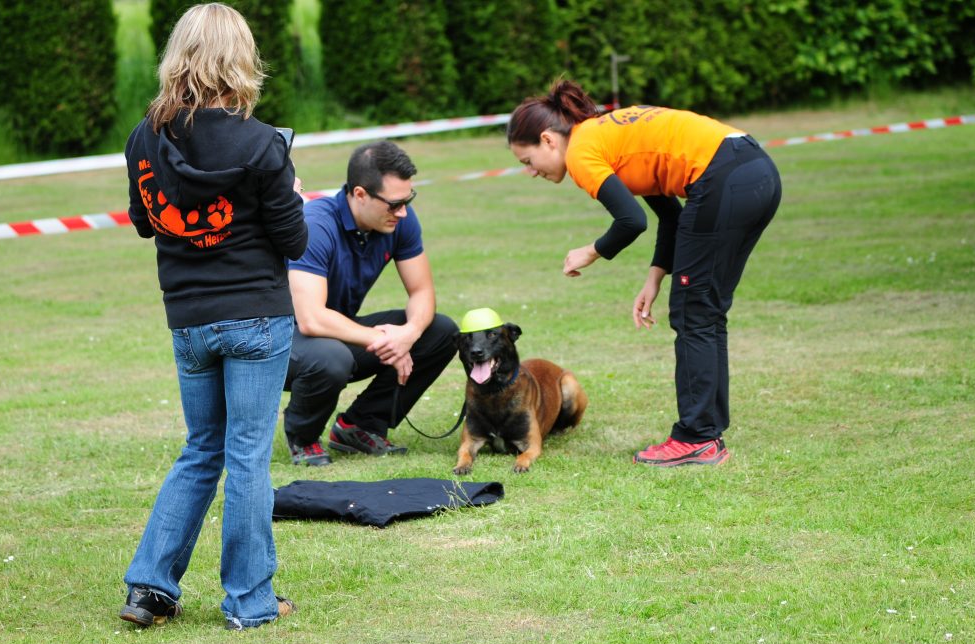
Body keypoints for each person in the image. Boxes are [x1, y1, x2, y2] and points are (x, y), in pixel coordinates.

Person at [119, 3, 307, 630]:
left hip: (189, 321)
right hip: (255, 315)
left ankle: (149, 588)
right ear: (241, 59)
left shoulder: (144, 138)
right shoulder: (261, 143)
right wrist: (294, 193)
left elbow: (148, 223)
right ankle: (250, 602)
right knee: (249, 454)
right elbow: (295, 241)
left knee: (203, 449)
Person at [507, 79, 781, 467]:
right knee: (703, 311)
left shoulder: (582, 153)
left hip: (723, 179)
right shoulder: (606, 135)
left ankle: (697, 438)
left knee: (693, 313)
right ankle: (707, 431)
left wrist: (591, 251)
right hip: (755, 170)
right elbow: (670, 214)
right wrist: (655, 278)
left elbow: (631, 221)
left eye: (527, 161)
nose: (531, 172)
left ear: (549, 140)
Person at [282, 140, 457, 466]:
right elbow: (311, 320)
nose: (402, 212)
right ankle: (303, 438)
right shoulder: (317, 225)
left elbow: (421, 292)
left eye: (408, 200)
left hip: (331, 335)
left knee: (440, 330)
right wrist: (383, 339)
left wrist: (410, 333)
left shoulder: (400, 220)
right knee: (332, 357)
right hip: (279, 342)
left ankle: (360, 426)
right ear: (360, 194)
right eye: (394, 204)